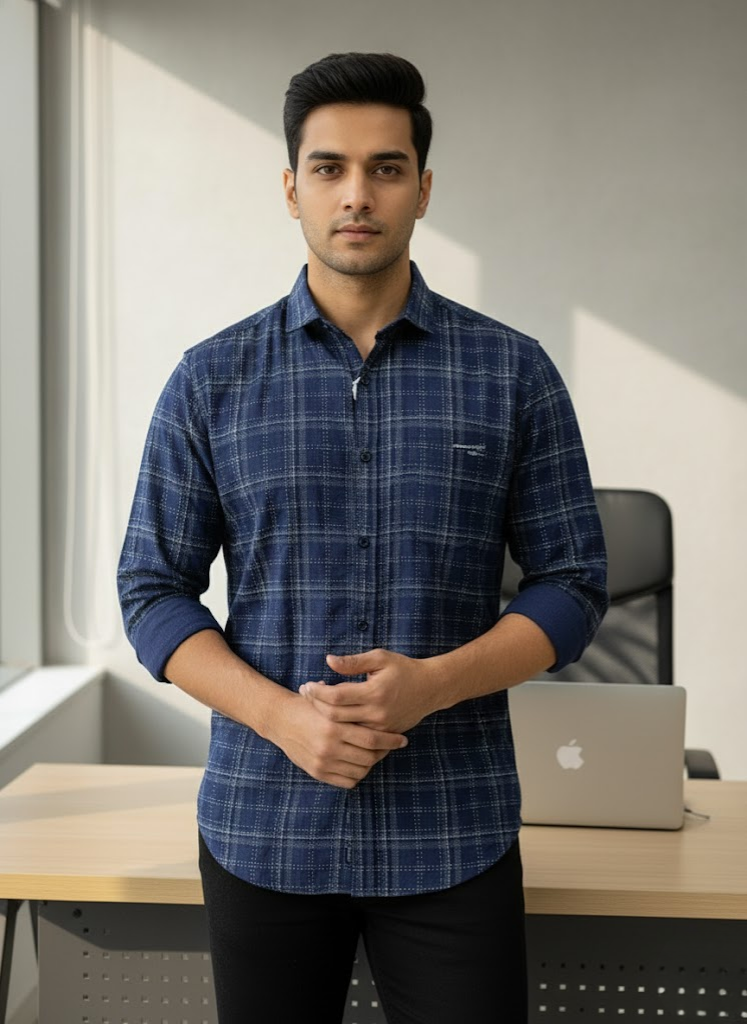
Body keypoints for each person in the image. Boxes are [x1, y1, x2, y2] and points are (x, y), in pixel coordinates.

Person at [118, 51, 608, 1024]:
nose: (357, 194)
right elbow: (152, 593)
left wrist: (434, 683)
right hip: (264, 830)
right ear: (290, 188)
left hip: (452, 830)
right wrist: (283, 717)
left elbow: (574, 583)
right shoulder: (209, 382)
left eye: (385, 168)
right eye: (331, 168)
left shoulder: (513, 374)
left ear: (423, 189)